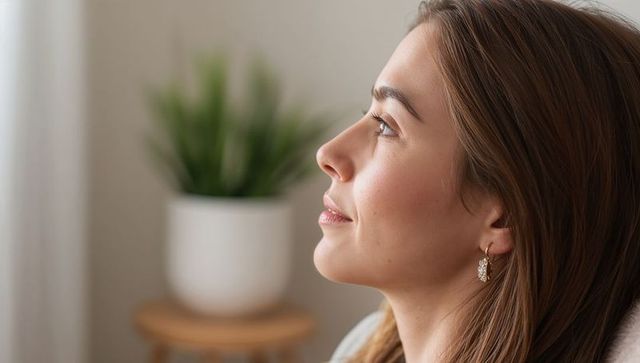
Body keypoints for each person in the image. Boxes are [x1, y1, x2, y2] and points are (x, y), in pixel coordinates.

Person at [314, 0, 640, 362]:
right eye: (368, 114)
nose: (328, 154)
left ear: (503, 218)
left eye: (387, 126)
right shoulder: (358, 349)